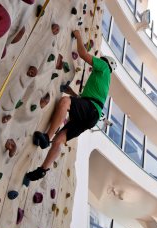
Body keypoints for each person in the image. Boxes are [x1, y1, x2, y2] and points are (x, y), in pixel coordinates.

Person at [25, 30, 117, 181]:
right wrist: (75, 94)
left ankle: (47, 136)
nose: (96, 64)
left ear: (105, 62)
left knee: (65, 102)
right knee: (61, 138)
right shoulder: (102, 82)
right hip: (91, 115)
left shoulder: (104, 67)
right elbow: (85, 99)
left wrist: (79, 36)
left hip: (91, 108)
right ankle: (43, 169)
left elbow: (82, 54)